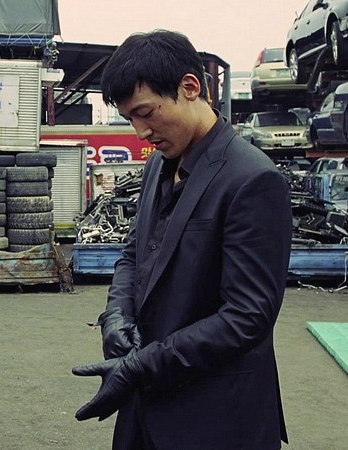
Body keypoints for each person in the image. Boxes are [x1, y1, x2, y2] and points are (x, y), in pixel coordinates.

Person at [71, 30, 291, 450]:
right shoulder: (159, 165)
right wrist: (116, 316)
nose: (140, 133)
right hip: (145, 409)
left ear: (190, 87)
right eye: (130, 119)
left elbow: (247, 316)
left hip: (216, 418)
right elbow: (133, 254)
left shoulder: (252, 180)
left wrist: (142, 365)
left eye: (146, 113)